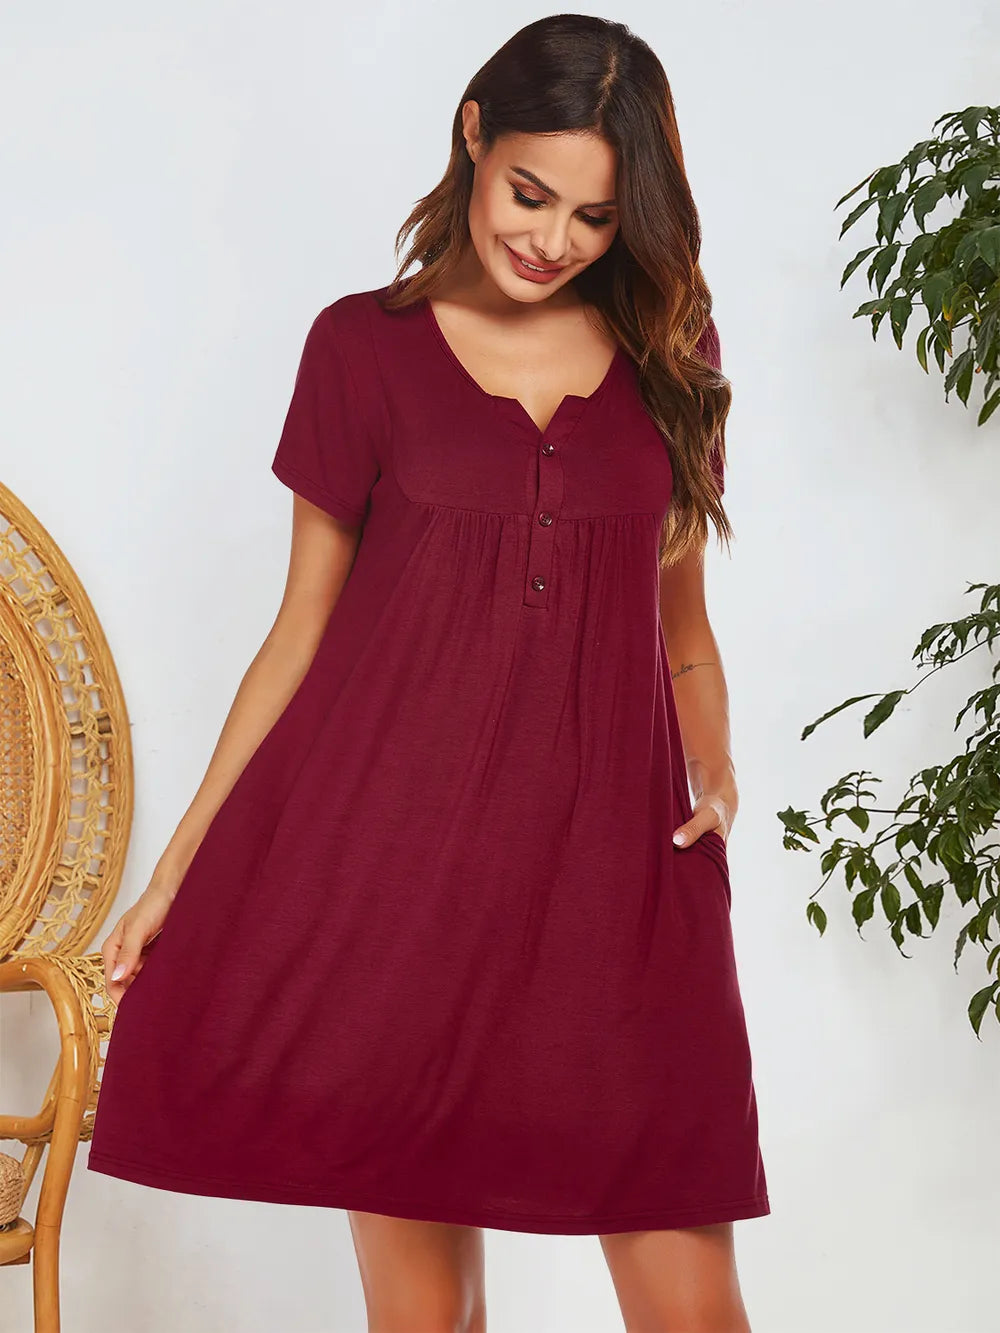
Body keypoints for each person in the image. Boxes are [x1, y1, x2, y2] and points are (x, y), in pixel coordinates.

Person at [88, 13, 769, 1331]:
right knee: (428, 1322)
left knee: (695, 1309)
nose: (554, 238)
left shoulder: (672, 356)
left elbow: (683, 624)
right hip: (398, 881)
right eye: (531, 192)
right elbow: (301, 631)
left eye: (595, 215)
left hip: (620, 887)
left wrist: (717, 768)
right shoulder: (362, 347)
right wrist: (175, 873)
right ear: (473, 135)